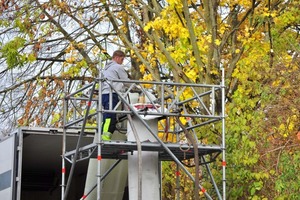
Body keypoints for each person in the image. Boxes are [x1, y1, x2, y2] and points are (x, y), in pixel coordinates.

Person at [101, 50, 130, 141]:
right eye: (122, 59)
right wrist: (137, 88)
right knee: (110, 116)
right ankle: (106, 137)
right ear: (117, 57)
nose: (122, 62)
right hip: (111, 94)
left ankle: (103, 135)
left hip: (104, 94)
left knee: (107, 115)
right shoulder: (117, 67)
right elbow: (126, 81)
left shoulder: (105, 68)